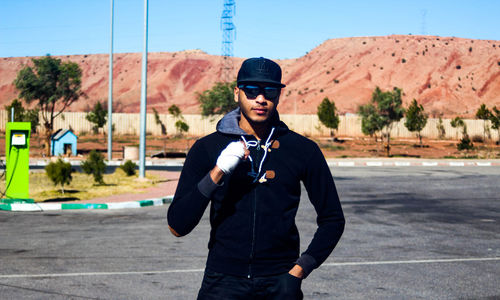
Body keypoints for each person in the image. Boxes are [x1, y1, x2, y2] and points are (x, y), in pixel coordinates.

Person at [167, 57, 345, 299]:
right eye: (251, 90)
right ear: (237, 93)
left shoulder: (303, 150)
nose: (261, 99)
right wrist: (218, 171)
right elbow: (178, 226)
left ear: (278, 95)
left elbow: (333, 219)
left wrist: (300, 270)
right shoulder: (207, 148)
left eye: (269, 90)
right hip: (222, 281)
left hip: (280, 281)